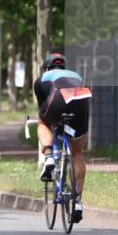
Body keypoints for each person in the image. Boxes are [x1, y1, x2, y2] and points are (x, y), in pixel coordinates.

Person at [33, 52, 92, 223]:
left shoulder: (42, 79)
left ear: (47, 67)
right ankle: (78, 201)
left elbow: (44, 106)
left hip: (56, 99)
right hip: (81, 100)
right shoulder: (76, 75)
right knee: (77, 153)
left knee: (42, 122)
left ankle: (49, 157)